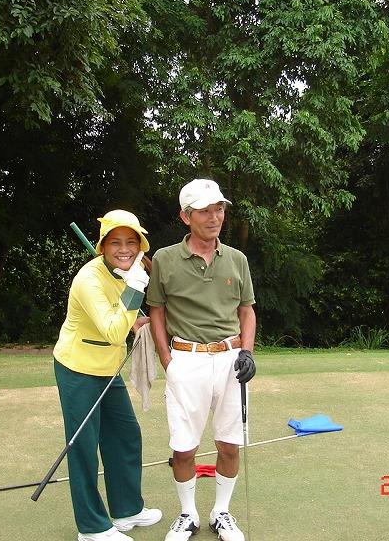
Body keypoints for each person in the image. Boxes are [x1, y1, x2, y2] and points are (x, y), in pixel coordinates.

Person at [146, 180, 257, 541]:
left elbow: (246, 311)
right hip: (186, 359)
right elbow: (157, 311)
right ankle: (188, 514)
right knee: (183, 448)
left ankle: (221, 512)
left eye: (219, 209)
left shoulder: (237, 259)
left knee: (229, 443)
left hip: (230, 360)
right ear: (185, 216)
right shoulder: (164, 259)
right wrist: (167, 359)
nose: (215, 217)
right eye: (205, 211)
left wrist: (247, 352)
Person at [52, 209, 163, 541]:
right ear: (102, 246)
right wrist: (136, 288)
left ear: (140, 246)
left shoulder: (124, 273)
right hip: (78, 368)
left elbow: (122, 316)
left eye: (131, 242)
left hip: (107, 368)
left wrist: (135, 316)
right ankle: (92, 527)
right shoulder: (89, 280)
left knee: (125, 435)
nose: (124, 249)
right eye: (115, 242)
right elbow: (114, 330)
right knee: (84, 446)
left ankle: (127, 509)